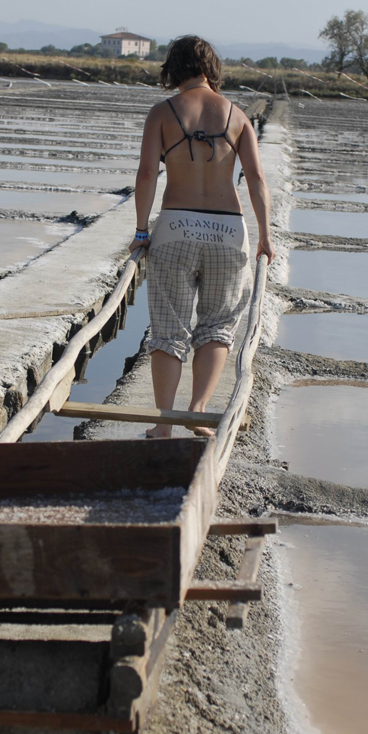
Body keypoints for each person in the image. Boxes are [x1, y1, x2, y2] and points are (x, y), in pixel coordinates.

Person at [130, 35, 274, 438]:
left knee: (168, 329)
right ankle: (198, 410)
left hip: (175, 227)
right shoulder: (238, 116)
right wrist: (264, 236)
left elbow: (146, 176)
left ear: (173, 70)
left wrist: (142, 231)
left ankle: (163, 424)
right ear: (212, 69)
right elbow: (257, 180)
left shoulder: (162, 113)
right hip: (228, 230)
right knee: (217, 326)